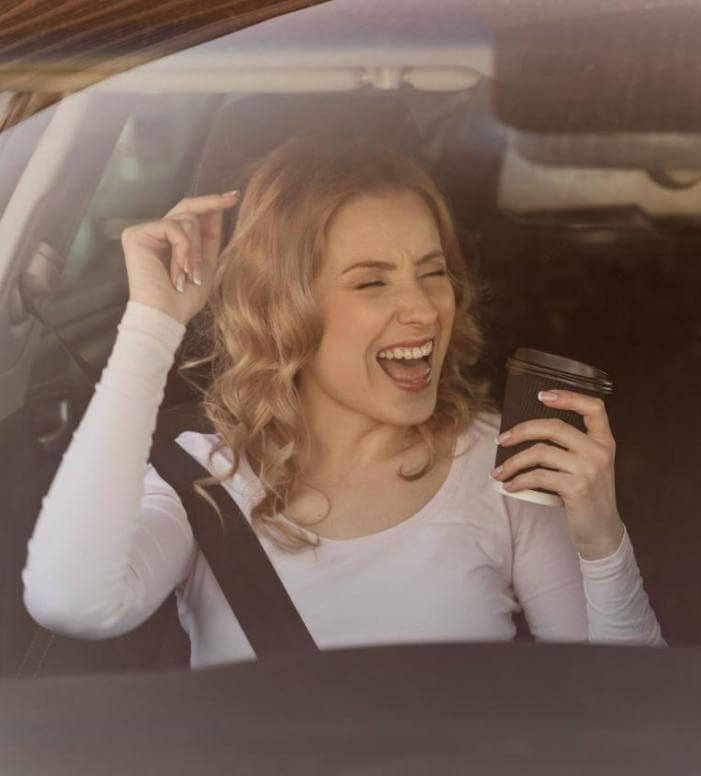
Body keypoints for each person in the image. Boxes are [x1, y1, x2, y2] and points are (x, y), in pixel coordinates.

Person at [24, 136, 663, 668]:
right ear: (284, 307)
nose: (423, 308)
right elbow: (72, 603)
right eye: (372, 281)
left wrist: (601, 536)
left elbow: (626, 713)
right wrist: (151, 324)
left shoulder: (499, 464)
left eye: (432, 271)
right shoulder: (203, 475)